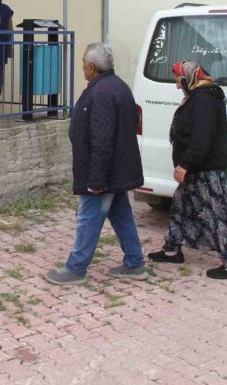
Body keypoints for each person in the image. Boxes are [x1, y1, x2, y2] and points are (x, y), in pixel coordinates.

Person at [45, 43, 147, 285]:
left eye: (83, 63)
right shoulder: (118, 86)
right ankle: (135, 263)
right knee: (120, 213)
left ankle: (76, 268)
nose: (82, 67)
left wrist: (97, 181)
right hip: (118, 169)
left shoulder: (102, 93)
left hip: (104, 172)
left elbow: (102, 140)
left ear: (91, 67)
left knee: (88, 217)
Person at [148, 61, 227, 279]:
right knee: (181, 208)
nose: (177, 86)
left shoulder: (203, 100)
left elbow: (202, 138)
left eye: (179, 81)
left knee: (215, 215)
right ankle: (172, 250)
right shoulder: (201, 96)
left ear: (189, 79)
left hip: (205, 170)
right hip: (197, 168)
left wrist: (185, 164)